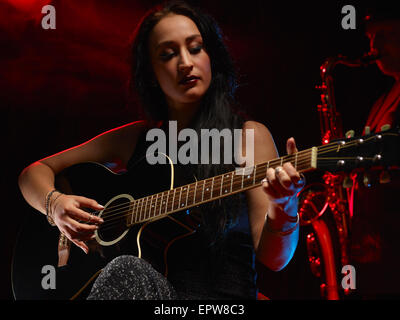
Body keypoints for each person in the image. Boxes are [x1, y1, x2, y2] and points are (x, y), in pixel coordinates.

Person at [18, 1, 304, 300]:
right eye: (168, 55)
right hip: (141, 290)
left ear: (212, 57)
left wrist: (284, 206)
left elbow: (275, 259)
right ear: (152, 73)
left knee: (127, 269)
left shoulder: (248, 137)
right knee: (128, 269)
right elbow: (33, 173)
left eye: (195, 48)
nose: (185, 63)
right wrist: (55, 205)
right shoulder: (136, 138)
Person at [349, 6, 400, 298]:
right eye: (370, 38)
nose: (374, 46)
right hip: (379, 246)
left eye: (386, 35)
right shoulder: (384, 98)